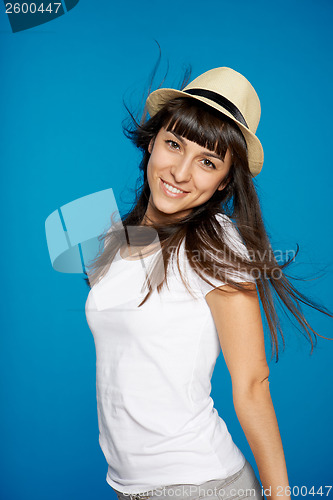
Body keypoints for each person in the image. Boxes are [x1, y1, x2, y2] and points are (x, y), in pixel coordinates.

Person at [84, 66, 332, 500]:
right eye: (173, 144)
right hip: (129, 488)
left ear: (223, 181)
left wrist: (281, 496)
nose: (180, 172)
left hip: (199, 486)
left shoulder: (218, 245)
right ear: (152, 142)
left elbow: (252, 383)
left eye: (207, 162)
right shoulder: (115, 240)